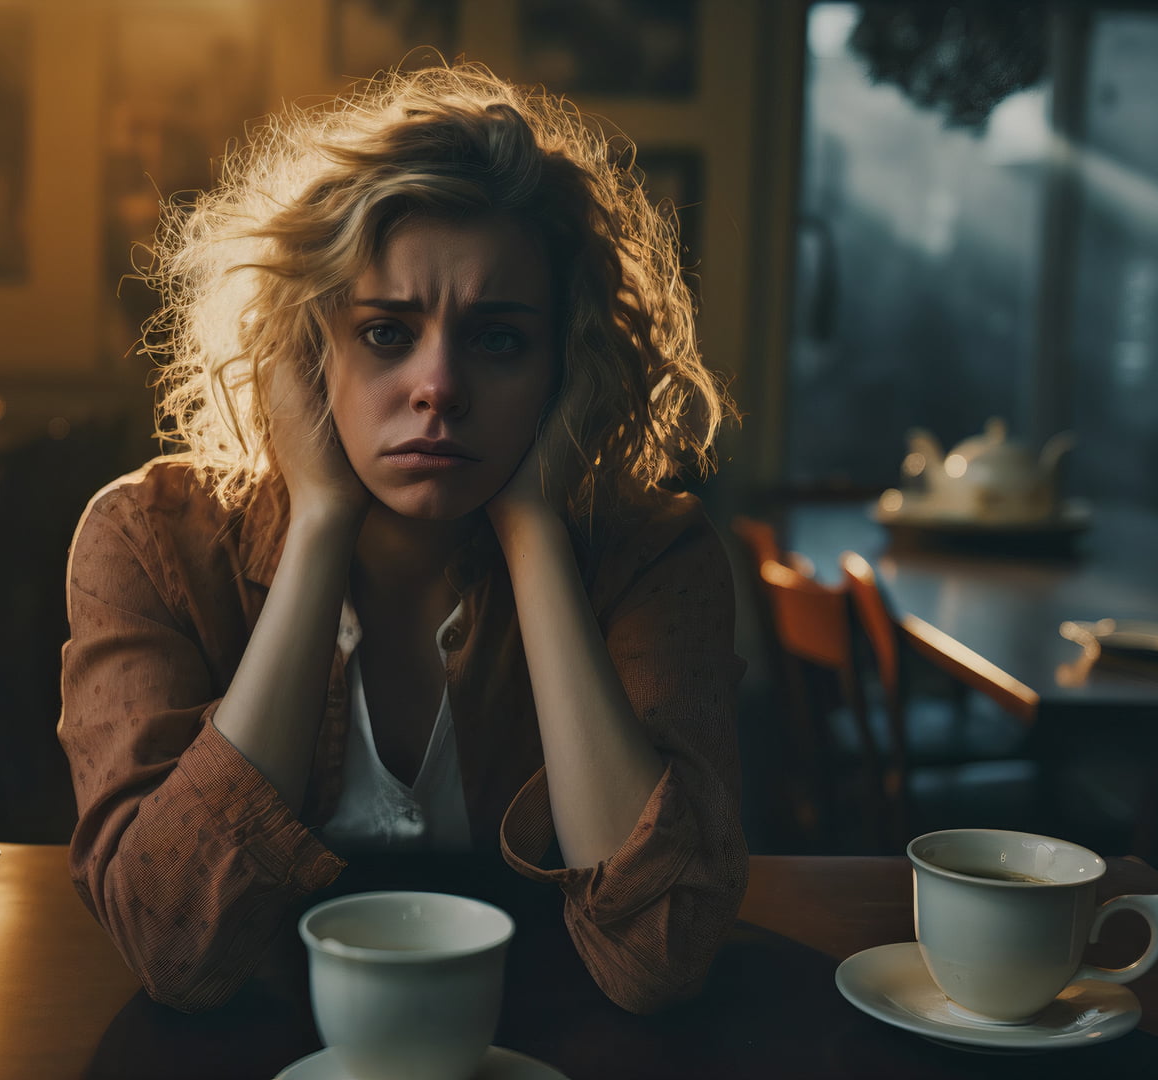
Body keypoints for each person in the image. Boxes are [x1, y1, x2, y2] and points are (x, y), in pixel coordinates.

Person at [59, 64, 747, 1015]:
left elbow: (660, 959)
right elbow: (173, 943)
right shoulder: (145, 544)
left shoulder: (651, 557)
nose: (440, 386)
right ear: (307, 351)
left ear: (562, 368)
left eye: (499, 340)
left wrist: (536, 527)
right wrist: (322, 525)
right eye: (386, 333)